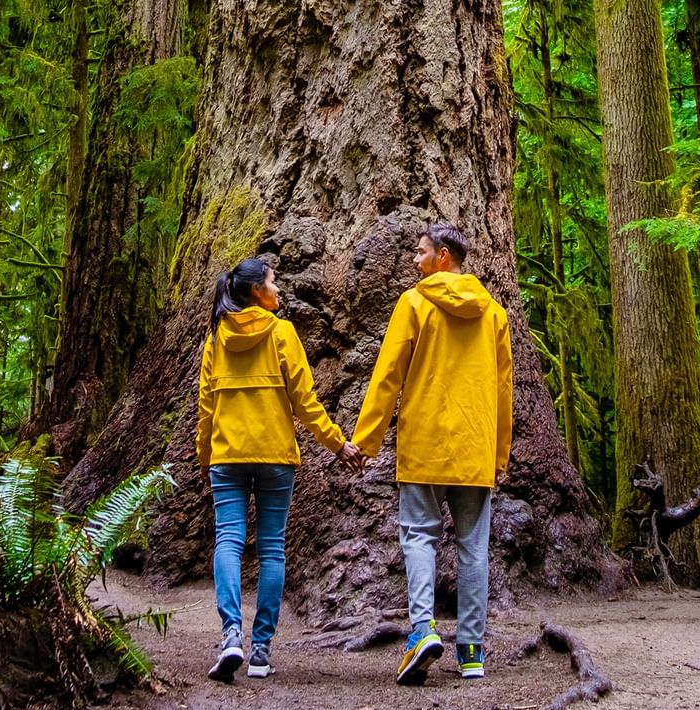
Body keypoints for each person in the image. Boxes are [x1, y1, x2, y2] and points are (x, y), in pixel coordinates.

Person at [351, 223, 513, 685]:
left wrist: (366, 441)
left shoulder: (415, 302)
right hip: (475, 448)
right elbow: (504, 392)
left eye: (420, 253)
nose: (414, 260)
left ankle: (422, 631)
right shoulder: (494, 314)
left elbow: (387, 375)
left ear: (443, 257)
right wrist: (498, 455)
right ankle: (472, 651)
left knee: (419, 536)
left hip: (424, 444)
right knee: (472, 548)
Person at [196, 257, 363, 683]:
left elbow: (206, 408)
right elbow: (305, 401)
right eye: (274, 282)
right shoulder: (282, 332)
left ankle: (231, 634)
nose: (279, 289)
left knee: (229, 541)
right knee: (271, 548)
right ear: (256, 291)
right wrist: (337, 443)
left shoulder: (216, 337)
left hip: (227, 457)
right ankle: (260, 652)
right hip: (274, 457)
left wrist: (204, 456)